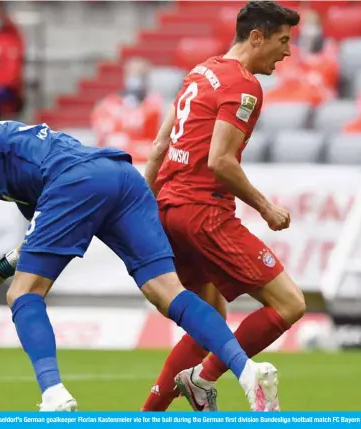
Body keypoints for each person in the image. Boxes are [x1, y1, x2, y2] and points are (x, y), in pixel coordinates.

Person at [0, 120, 280, 411]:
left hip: (74, 179)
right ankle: (248, 372)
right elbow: (39, 236)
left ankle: (53, 393)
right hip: (119, 178)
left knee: (23, 295)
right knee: (167, 294)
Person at [142, 1, 304, 412]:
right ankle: (203, 378)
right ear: (256, 37)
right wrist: (267, 208)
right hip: (202, 212)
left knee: (207, 321)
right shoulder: (244, 85)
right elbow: (220, 161)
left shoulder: (200, 71)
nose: (287, 52)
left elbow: (161, 145)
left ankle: (145, 417)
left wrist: (142, 208)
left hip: (167, 210)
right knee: (290, 304)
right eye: (283, 41)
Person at [91, 58, 164, 163]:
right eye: (135, 74)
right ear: (126, 76)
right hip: (116, 160)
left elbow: (158, 141)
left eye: (143, 75)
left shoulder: (155, 104)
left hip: (145, 160)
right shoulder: (108, 105)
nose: (139, 79)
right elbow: (106, 139)